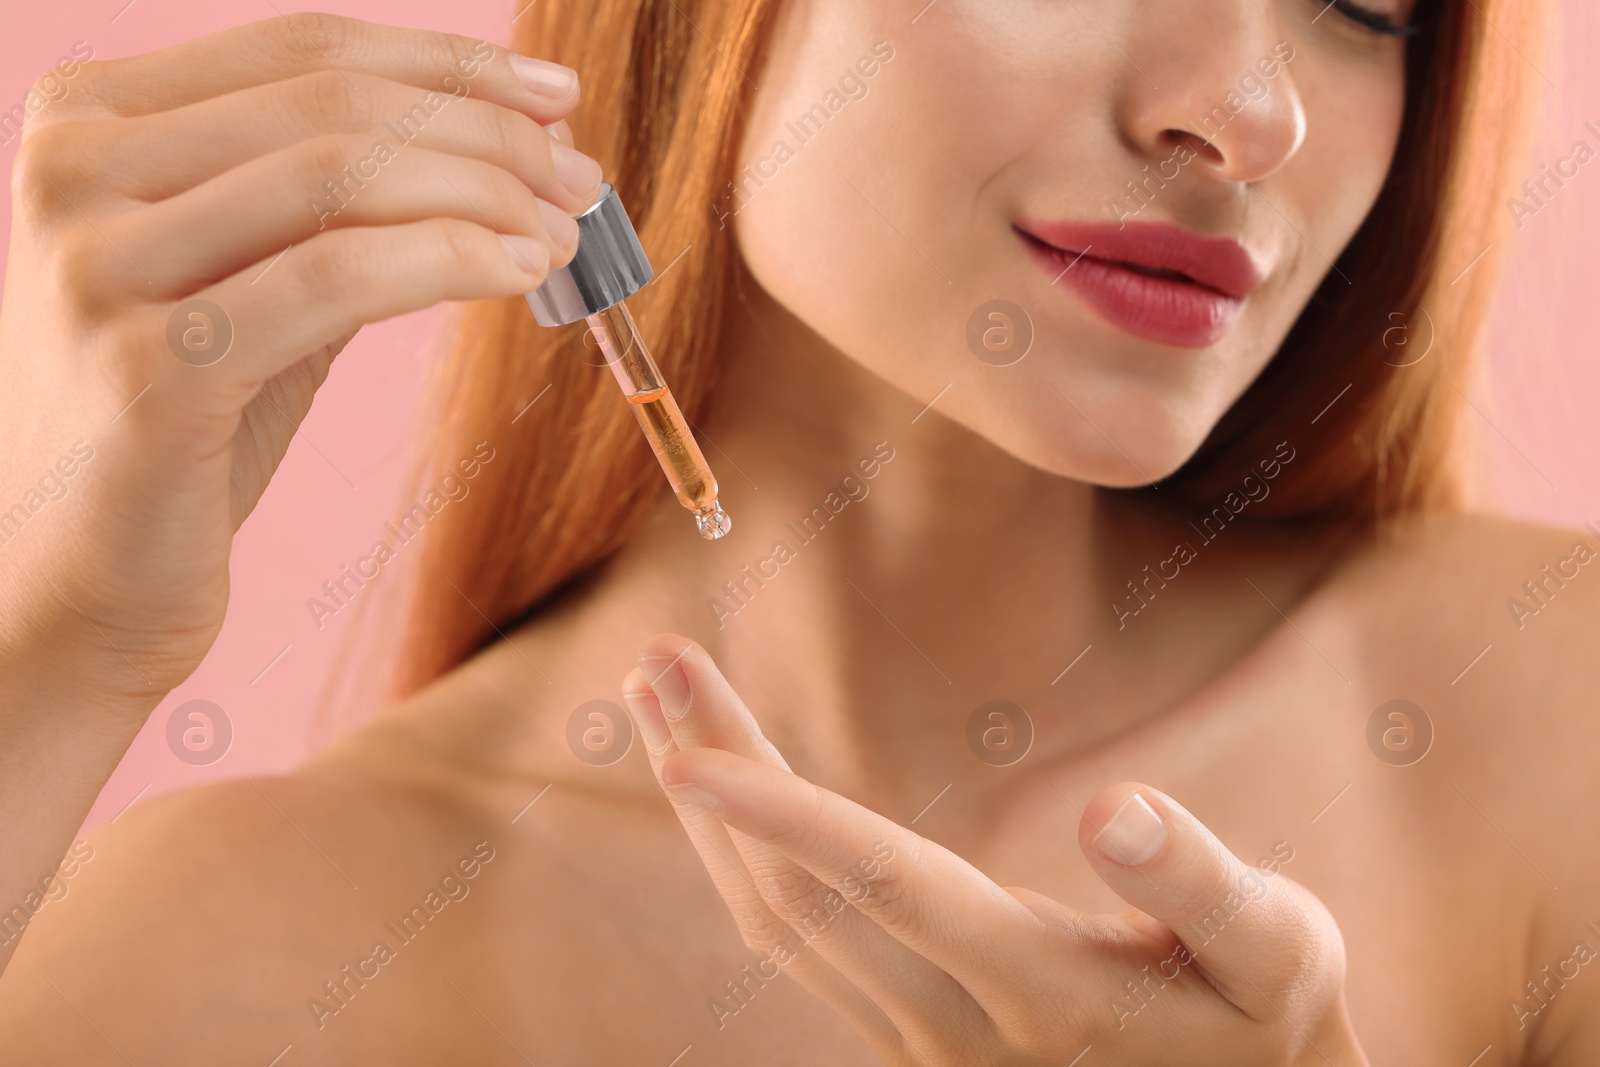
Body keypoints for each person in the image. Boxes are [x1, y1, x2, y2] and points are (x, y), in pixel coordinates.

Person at [0, 0, 1588, 1062]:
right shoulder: (224, 956)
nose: (1250, 114)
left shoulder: (1549, 726)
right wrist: (50, 657)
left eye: (1369, 2)